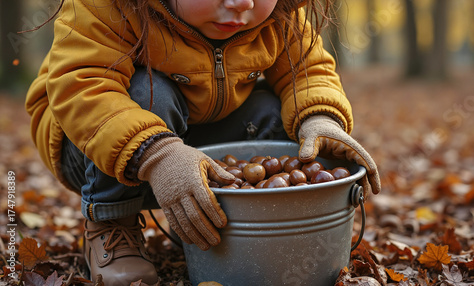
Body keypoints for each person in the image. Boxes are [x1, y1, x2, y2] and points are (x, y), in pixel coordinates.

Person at [25, 0, 381, 284]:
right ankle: (111, 226)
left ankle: (219, 220)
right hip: (94, 147)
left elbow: (306, 70)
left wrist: (320, 117)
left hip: (198, 142)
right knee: (151, 93)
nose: (241, 3)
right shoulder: (107, 5)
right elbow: (84, 87)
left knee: (271, 110)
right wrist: (159, 155)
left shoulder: (280, 16)